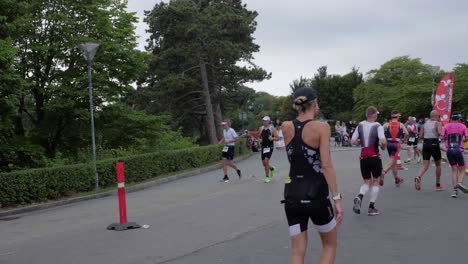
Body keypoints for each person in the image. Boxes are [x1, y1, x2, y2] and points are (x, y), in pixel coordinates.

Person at [281, 87, 343, 264]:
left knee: (296, 251)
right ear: (314, 103)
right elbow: (326, 165)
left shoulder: (285, 126)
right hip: (316, 195)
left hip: (292, 195)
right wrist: (337, 199)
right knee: (330, 245)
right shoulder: (322, 127)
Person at [351, 106, 387, 216]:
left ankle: (360, 196)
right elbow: (383, 141)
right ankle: (371, 208)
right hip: (374, 156)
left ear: (366, 115)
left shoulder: (360, 125)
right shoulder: (378, 126)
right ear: (375, 115)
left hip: (363, 157)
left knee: (366, 182)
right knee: (376, 181)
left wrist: (360, 143)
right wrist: (383, 146)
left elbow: (352, 141)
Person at [440, 113, 468, 197]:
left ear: (451, 118)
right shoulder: (463, 127)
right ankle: (459, 183)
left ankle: (454, 191)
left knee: (454, 170)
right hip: (459, 150)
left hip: (449, 150)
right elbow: (467, 138)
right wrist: (464, 140)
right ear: (459, 119)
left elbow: (441, 137)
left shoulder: (446, 126)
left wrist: (446, 139)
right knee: (462, 169)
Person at [414, 111, 443, 191]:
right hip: (434, 143)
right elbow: (441, 134)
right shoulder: (438, 123)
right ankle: (437, 184)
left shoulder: (425, 124)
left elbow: (420, 136)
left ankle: (418, 176)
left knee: (425, 165)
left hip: (426, 143)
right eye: (439, 116)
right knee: (438, 164)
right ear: (436, 116)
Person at [382, 111, 408, 186]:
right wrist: (403, 140)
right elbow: (407, 133)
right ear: (397, 117)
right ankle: (383, 172)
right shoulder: (401, 124)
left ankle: (396, 179)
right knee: (392, 161)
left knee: (393, 163)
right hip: (396, 144)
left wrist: (382, 141)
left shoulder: (386, 124)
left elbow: (379, 132)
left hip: (388, 144)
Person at [258, 116, 279, 183]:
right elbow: (260, 137)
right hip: (263, 148)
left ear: (269, 121)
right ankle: (272, 169)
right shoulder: (261, 128)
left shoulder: (272, 128)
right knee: (264, 164)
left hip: (270, 147)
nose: (264, 122)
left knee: (266, 161)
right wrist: (260, 140)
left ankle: (267, 177)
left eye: (266, 120)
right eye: (263, 120)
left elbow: (277, 138)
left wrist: (272, 138)